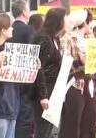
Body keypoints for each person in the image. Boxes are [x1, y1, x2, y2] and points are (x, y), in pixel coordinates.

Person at [59, 9, 96, 138]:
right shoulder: (67, 38)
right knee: (72, 122)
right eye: (89, 22)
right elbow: (63, 61)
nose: (90, 26)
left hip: (89, 83)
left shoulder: (90, 39)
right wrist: (79, 61)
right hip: (74, 84)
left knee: (89, 122)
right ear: (84, 22)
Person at [30, 7, 66, 138]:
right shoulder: (43, 38)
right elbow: (38, 67)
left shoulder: (53, 38)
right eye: (65, 19)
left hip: (53, 91)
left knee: (49, 131)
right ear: (59, 21)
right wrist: (43, 95)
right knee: (43, 131)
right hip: (43, 93)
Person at [9, 0, 35, 138]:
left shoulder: (9, 30)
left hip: (9, 78)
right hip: (25, 79)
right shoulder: (28, 30)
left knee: (12, 116)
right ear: (24, 12)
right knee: (24, 118)